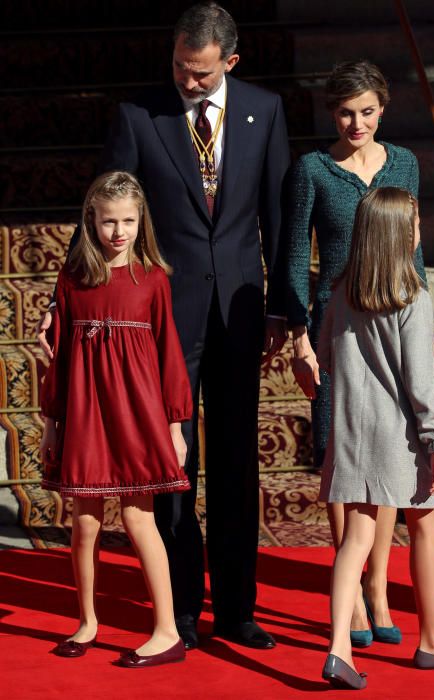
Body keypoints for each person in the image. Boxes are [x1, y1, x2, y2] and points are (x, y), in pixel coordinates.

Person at [37, 2, 290, 650]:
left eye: (201, 72)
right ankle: (177, 611)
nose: (188, 80)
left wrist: (284, 310)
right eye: (180, 66)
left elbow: (278, 219)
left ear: (229, 62)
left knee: (235, 464)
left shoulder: (264, 111)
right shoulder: (138, 115)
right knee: (170, 468)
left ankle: (236, 610)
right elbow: (100, 207)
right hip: (156, 320)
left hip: (236, 312)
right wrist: (62, 299)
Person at [285, 60, 434, 647]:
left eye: (367, 111)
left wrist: (423, 330)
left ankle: (378, 587)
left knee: (390, 459)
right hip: (338, 327)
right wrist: (301, 338)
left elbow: (413, 248)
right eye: (346, 112)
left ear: (383, 108)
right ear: (333, 112)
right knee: (345, 460)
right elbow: (295, 254)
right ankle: (352, 602)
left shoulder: (405, 163)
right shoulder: (312, 171)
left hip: (396, 322)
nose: (357, 122)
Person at [316, 187, 434, 689]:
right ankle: (433, 638)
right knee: (427, 529)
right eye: (415, 224)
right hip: (400, 440)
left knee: (356, 539)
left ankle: (339, 648)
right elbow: (420, 383)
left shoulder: (342, 294)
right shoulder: (413, 298)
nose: (420, 231)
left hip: (349, 434)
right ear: (399, 235)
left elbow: (325, 356)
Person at [39, 171, 193, 668]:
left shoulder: (152, 279)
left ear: (140, 219)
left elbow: (171, 354)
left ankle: (167, 631)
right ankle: (87, 622)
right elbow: (59, 360)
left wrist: (175, 425)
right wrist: (50, 422)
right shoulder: (72, 281)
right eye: (109, 222)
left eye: (128, 220)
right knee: (83, 523)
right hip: (85, 413)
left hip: (137, 413)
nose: (119, 232)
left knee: (137, 516)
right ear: (92, 220)